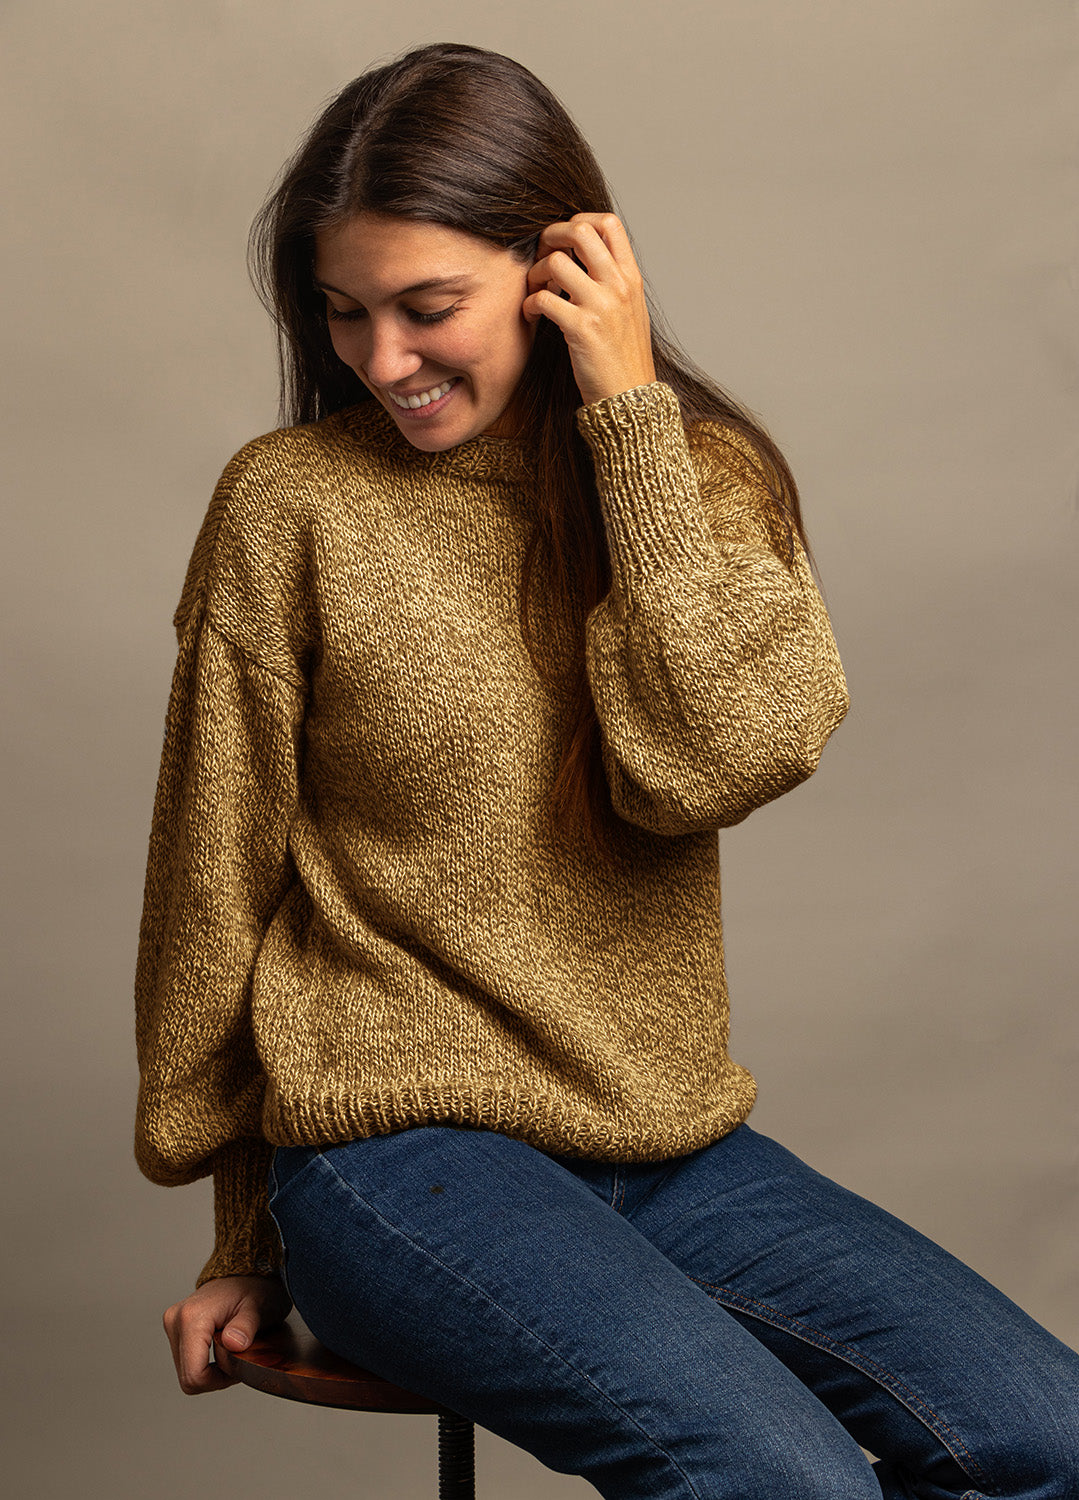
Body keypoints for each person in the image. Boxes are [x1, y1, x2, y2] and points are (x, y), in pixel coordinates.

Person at [135, 41, 1079, 1500]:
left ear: (561, 268)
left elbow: (706, 764)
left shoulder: (703, 482)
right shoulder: (290, 504)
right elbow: (216, 878)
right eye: (343, 312)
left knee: (1049, 1436)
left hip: (668, 1144)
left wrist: (630, 425)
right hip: (395, 1155)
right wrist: (244, 1235)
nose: (381, 361)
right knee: (787, 1482)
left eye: (427, 308)